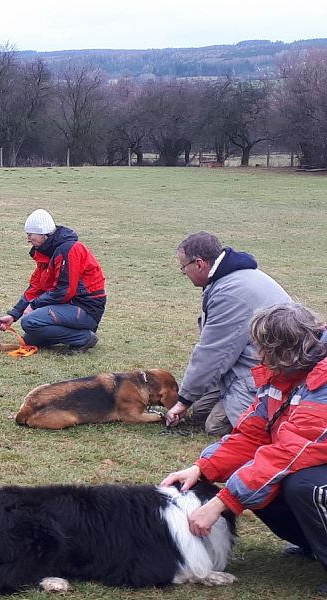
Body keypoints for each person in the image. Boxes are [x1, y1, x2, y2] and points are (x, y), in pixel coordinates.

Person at [161, 302, 327, 596]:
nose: (258, 355)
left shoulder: (322, 384)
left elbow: (293, 451)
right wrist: (202, 467)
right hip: (309, 457)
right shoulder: (282, 377)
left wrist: (222, 502)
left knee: (302, 485)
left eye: (263, 348)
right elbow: (251, 435)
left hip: (312, 462)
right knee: (256, 476)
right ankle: (312, 544)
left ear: (286, 351)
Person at [165, 231, 291, 435]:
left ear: (199, 264)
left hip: (271, 373)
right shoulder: (230, 277)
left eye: (183, 267)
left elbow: (214, 353)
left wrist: (183, 401)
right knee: (200, 411)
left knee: (215, 425)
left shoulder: (231, 293)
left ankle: (282, 412)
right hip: (255, 361)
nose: (183, 273)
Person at [0, 209, 106, 354]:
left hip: (85, 307)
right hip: (68, 305)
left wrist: (34, 305)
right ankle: (74, 332)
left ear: (43, 234)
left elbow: (65, 291)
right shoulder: (46, 253)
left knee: (30, 322)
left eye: (30, 235)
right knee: (30, 339)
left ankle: (83, 338)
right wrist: (14, 314)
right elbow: (36, 287)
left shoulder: (69, 249)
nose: (28, 239)